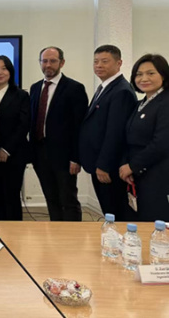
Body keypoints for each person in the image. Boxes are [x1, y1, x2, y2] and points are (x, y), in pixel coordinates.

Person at [30, 47, 88, 221]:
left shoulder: (75, 88)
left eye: (53, 61)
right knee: (51, 198)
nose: (48, 65)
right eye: (44, 61)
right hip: (40, 154)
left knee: (68, 200)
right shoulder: (35, 88)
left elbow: (79, 126)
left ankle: (72, 234)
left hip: (65, 157)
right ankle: (56, 231)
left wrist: (76, 158)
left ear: (62, 63)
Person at [79, 45, 137, 221]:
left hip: (108, 167)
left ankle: (116, 238)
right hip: (98, 162)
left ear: (119, 63)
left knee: (115, 212)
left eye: (105, 61)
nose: (99, 65)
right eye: (96, 61)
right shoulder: (105, 87)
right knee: (109, 211)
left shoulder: (121, 91)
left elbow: (116, 133)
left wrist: (104, 165)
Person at [120, 54, 169, 222]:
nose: (144, 78)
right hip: (138, 174)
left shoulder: (165, 103)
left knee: (155, 223)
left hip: (157, 174)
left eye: (151, 73)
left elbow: (162, 143)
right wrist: (127, 165)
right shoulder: (140, 103)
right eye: (139, 74)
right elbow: (129, 138)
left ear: (164, 75)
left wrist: (133, 166)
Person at [0, 56, 30, 221]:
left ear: (10, 72)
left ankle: (14, 232)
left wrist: (6, 149)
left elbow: (23, 125)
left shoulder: (21, 95)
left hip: (14, 154)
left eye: (4, 68)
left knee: (11, 195)